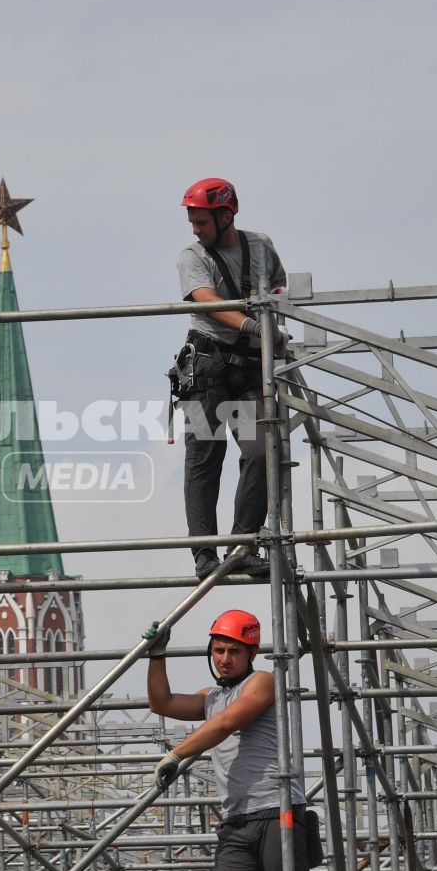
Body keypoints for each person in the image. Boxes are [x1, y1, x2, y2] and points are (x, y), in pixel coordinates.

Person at [146, 609, 320, 871]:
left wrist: (177, 753)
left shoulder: (262, 683)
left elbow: (226, 724)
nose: (225, 658)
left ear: (251, 653)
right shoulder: (211, 697)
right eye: (219, 650)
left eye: (234, 651)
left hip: (278, 814)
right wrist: (156, 656)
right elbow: (162, 702)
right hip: (237, 823)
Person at [172, 178, 287, 581]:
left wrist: (276, 320)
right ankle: (205, 555)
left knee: (260, 452)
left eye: (201, 221)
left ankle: (244, 547)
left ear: (226, 216)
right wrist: (257, 327)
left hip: (249, 370)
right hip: (207, 368)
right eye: (192, 220)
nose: (195, 228)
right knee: (204, 458)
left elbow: (277, 284)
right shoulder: (192, 256)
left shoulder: (260, 246)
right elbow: (206, 300)